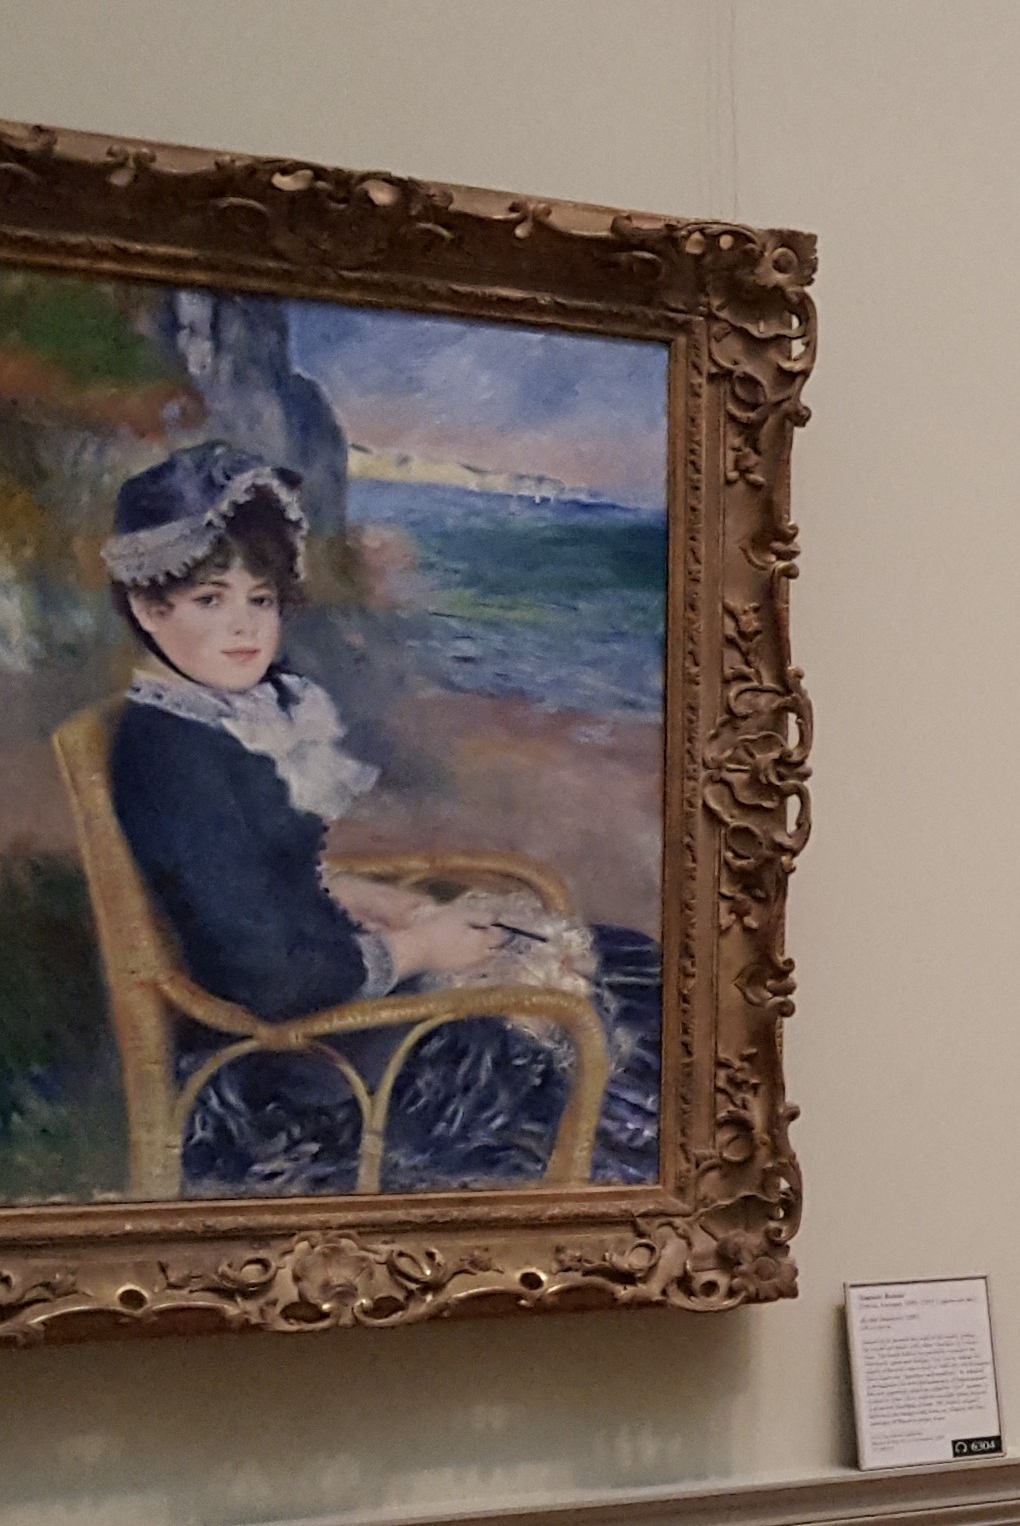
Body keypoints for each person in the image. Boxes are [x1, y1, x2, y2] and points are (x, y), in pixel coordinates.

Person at [97, 441, 657, 1193]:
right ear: (147, 606)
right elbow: (266, 972)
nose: (245, 627)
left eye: (260, 600)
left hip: (332, 1006)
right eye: (210, 600)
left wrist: (386, 904)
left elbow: (260, 874)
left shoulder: (221, 721)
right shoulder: (170, 751)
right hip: (298, 1067)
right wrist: (419, 947)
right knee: (591, 1029)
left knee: (625, 961)